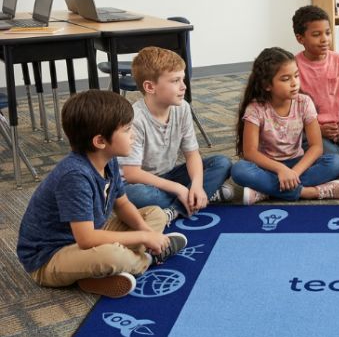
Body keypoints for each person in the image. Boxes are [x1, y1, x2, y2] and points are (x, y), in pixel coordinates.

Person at [16, 90, 187, 299]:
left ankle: (101, 273)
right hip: (49, 258)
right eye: (126, 130)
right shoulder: (74, 176)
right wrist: (144, 237)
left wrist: (146, 231)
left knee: (155, 214)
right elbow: (87, 240)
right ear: (100, 141)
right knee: (112, 255)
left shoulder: (109, 161)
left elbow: (123, 205)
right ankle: (147, 260)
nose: (132, 134)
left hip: (91, 233)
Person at [120, 46, 233, 225]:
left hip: (169, 176)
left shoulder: (182, 108)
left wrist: (196, 183)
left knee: (222, 163)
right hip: (141, 184)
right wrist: (178, 188)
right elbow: (132, 173)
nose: (184, 86)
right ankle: (201, 198)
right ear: (150, 87)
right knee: (134, 195)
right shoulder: (136, 119)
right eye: (175, 81)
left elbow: (192, 154)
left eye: (182, 79)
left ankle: (175, 208)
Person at [230, 47, 339, 203]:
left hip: (297, 163)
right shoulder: (255, 108)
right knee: (239, 170)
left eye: (296, 76)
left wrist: (294, 173)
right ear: (267, 85)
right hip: (267, 166)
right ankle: (309, 192)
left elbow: (316, 147)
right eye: (285, 79)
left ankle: (266, 191)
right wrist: (281, 169)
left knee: (335, 162)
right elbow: (250, 152)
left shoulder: (304, 102)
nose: (294, 83)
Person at [292, 4, 339, 167]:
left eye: (328, 33)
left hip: (338, 128)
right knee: (337, 161)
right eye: (316, 34)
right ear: (300, 38)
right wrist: (317, 130)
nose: (325, 39)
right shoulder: (294, 66)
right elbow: (292, 111)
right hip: (310, 131)